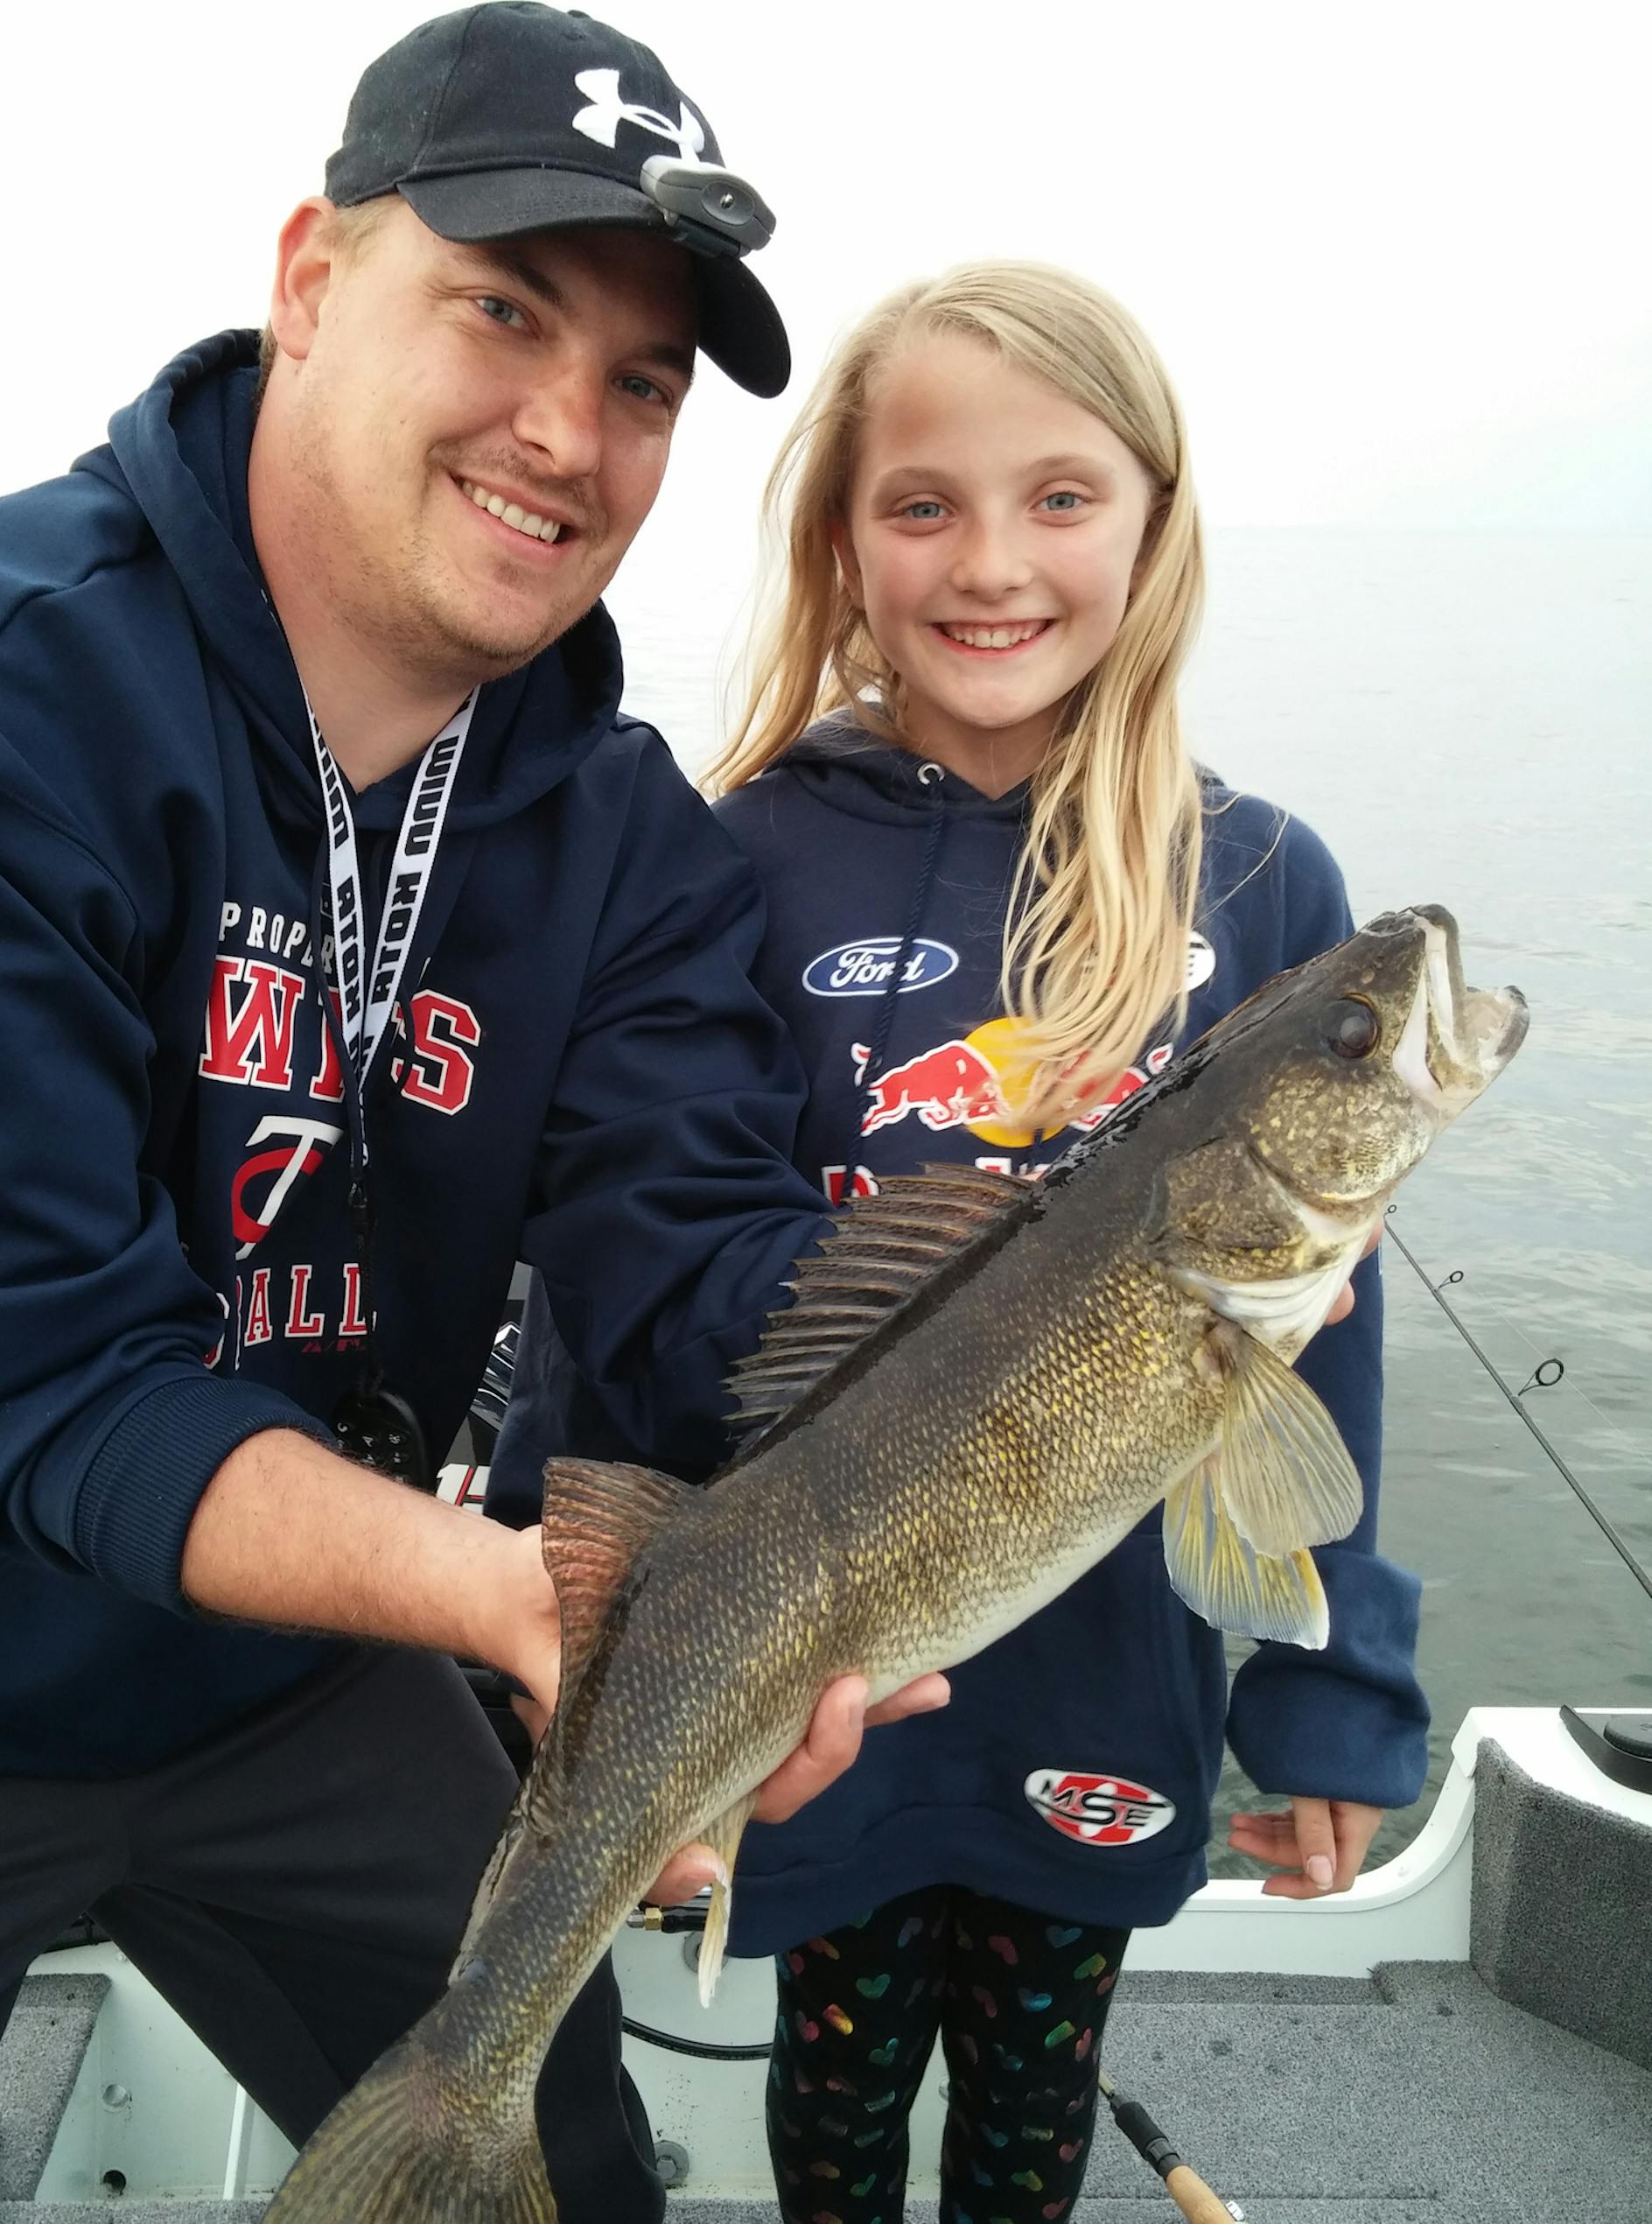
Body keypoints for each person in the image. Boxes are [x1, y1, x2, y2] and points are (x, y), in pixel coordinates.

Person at [0, 9, 946, 2215]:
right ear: (310, 280)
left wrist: (1055, 1281)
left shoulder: (618, 838)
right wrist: (501, 1596)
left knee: (561, 2166)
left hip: (294, 1683)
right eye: (504, 308)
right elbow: (55, 1391)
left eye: (644, 378)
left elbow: (700, 1276)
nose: (567, 429)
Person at [490, 261, 1429, 2223]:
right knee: (836, 2090)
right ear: (840, 536)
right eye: (923, 503)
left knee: (1033, 2085)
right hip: (812, 1669)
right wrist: (542, 1592)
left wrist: (1330, 1695)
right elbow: (629, 1260)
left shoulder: (1265, 883)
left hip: (1108, 1667)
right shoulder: (724, 855)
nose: (992, 561)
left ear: (1157, 521)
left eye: (1063, 496)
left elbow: (1312, 1343)